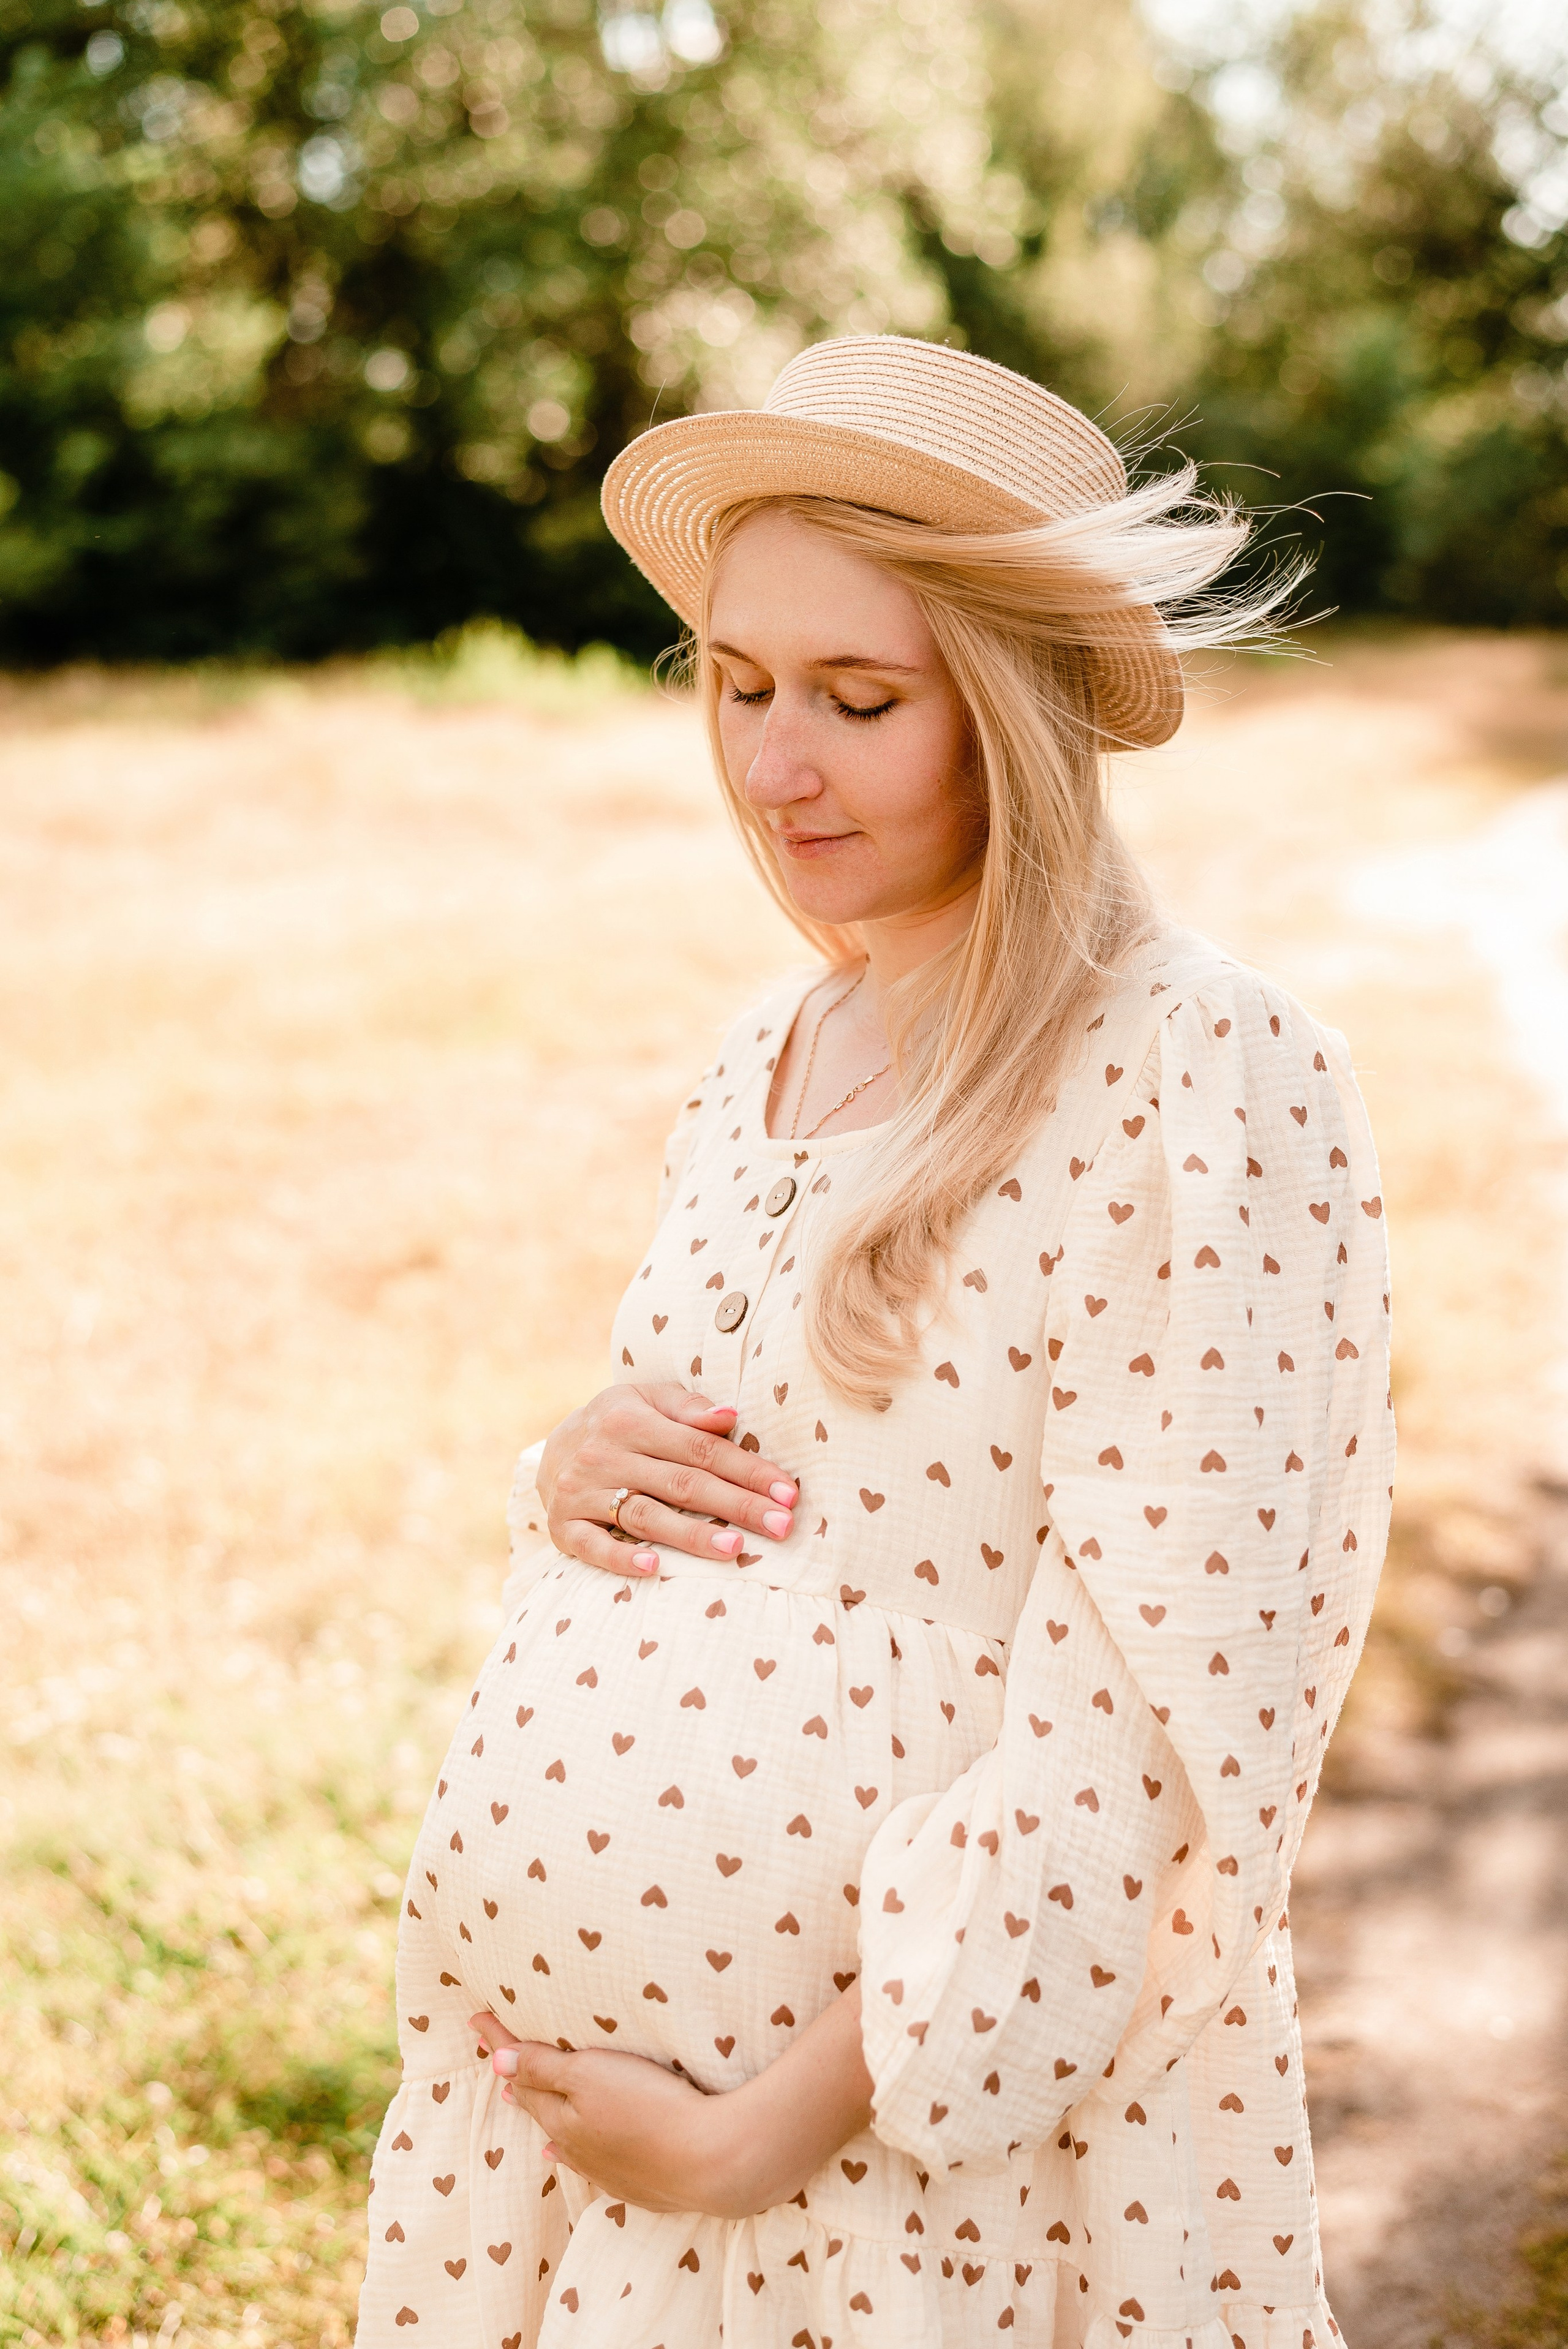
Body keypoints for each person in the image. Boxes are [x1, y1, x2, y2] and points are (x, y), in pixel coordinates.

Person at [355, 334, 1392, 2349]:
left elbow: (1164, 1743)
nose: (774, 763)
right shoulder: (774, 1049)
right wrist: (560, 1475)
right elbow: (761, 1515)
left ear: (1009, 712)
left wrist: (771, 2122)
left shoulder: (1198, 1072)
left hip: (927, 2191)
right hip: (596, 2203)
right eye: (740, 685)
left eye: (857, 697)